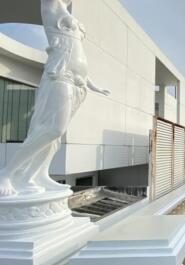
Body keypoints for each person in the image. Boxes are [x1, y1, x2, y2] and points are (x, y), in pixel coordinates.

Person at [0, 0, 109, 197]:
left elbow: (78, 57)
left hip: (79, 84)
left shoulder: (65, 10)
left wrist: (93, 85)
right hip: (60, 76)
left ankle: (38, 174)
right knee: (52, 129)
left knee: (56, 137)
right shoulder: (51, 7)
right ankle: (7, 173)